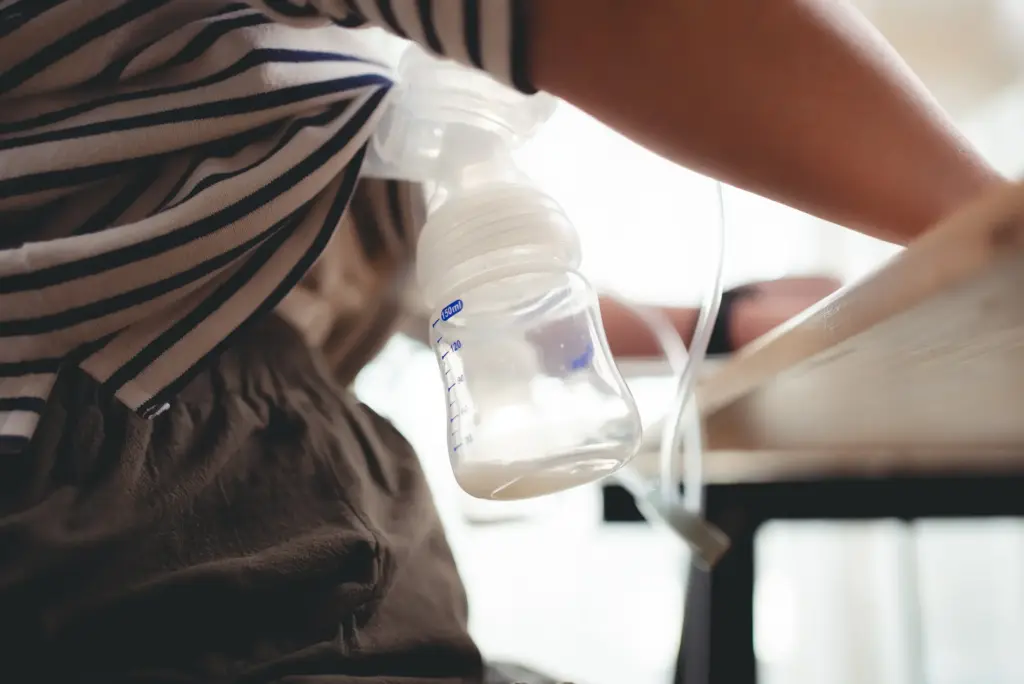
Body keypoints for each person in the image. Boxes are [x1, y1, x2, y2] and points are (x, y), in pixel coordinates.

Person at [0, 1, 1004, 682]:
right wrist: (990, 224)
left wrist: (728, 318)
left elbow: (446, 287)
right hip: (152, 477)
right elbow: (626, 16)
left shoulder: (261, 88)